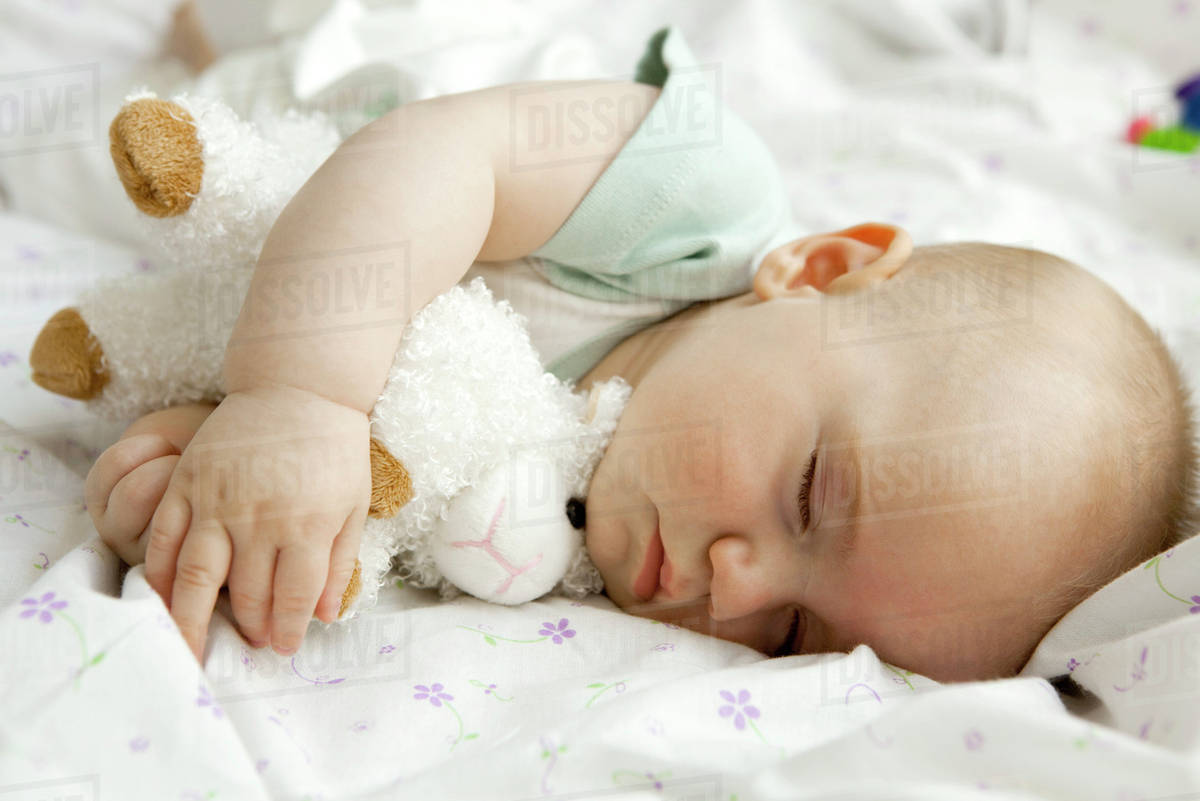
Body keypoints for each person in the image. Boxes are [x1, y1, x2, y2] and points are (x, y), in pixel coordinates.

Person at [84, 27, 1198, 681]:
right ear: (814, 272)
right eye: (811, 497)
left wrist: (216, 491)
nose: (736, 587)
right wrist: (295, 395)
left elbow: (376, 485)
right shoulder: (689, 207)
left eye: (799, 637)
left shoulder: (559, 535)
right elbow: (433, 156)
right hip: (351, 57)